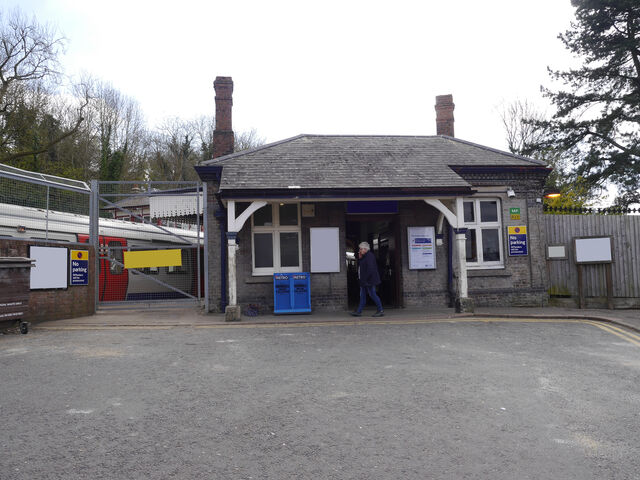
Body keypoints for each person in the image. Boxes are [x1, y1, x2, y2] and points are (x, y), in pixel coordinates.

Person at [350, 241, 384, 317]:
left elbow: (370, 269)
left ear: (365, 249)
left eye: (360, 249)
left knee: (372, 295)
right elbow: (362, 266)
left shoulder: (369, 256)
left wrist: (365, 280)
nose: (359, 250)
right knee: (362, 296)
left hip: (369, 280)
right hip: (365, 280)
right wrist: (360, 258)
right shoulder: (365, 256)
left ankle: (380, 310)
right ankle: (359, 311)